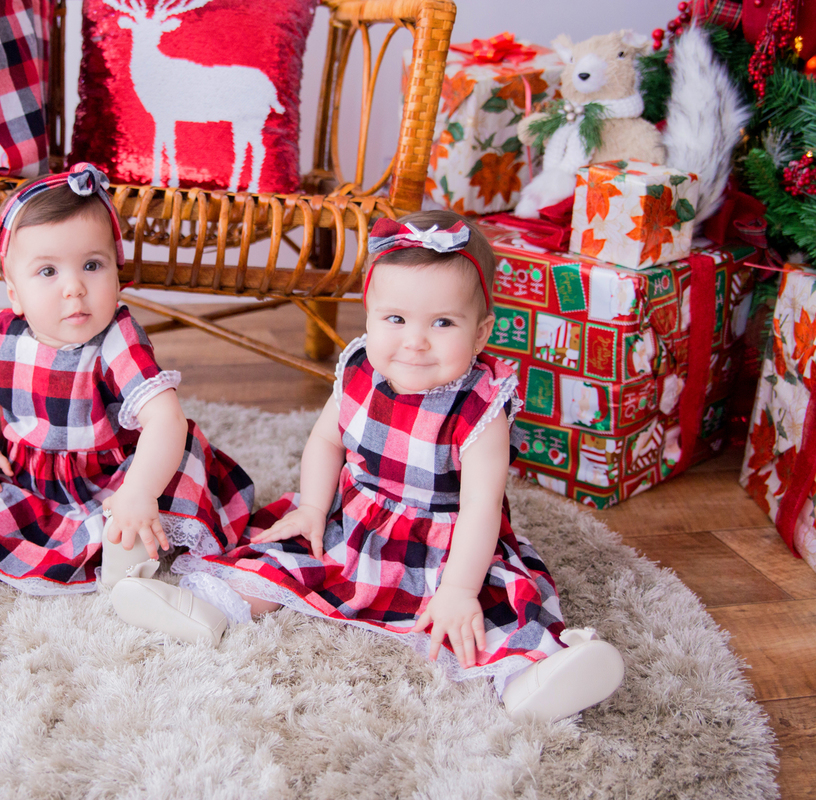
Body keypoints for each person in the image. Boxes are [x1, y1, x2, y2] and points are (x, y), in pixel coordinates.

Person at [112, 210, 625, 723]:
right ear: (370, 316)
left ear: (480, 333)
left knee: (483, 615)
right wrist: (314, 507)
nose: (415, 341)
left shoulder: (479, 407)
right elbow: (326, 439)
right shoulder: (360, 370)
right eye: (395, 319)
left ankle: (531, 678)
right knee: (284, 559)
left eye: (443, 323)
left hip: (447, 547)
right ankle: (207, 606)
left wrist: (459, 589)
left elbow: (481, 506)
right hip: (354, 521)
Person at [0, 163, 254, 632]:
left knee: (158, 490)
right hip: (37, 477)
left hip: (118, 474)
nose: (74, 288)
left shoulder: (118, 339)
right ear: (15, 294)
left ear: (117, 273)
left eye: (92, 265)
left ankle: (138, 579)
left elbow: (165, 422)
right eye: (48, 271)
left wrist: (139, 492)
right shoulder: (5, 333)